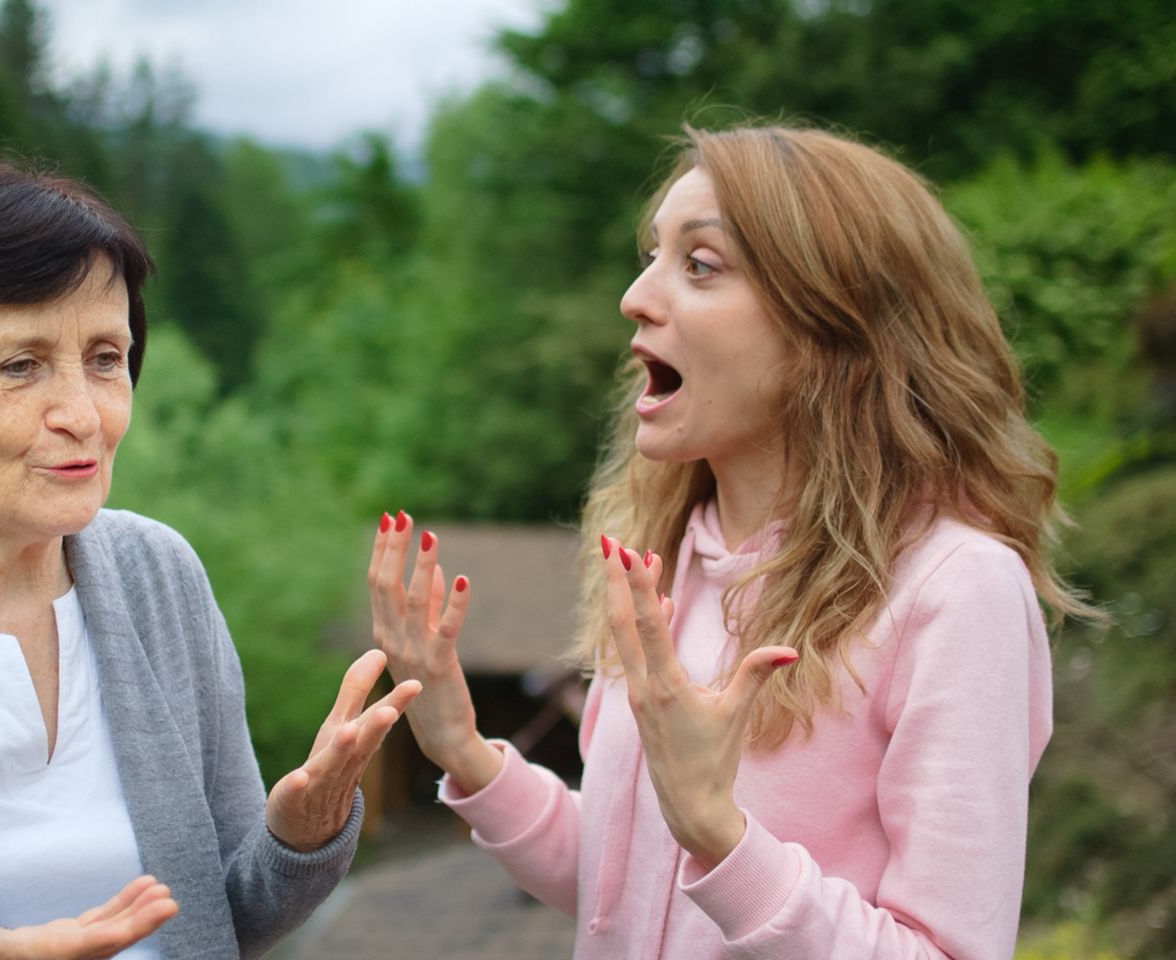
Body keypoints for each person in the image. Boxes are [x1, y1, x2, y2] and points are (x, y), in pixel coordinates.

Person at [368, 124, 1094, 958]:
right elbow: (621, 890)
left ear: (835, 327)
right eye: (650, 256)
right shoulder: (664, 561)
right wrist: (465, 751)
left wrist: (722, 838)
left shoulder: (958, 590)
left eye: (700, 265)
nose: (636, 297)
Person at [0, 162, 419, 960]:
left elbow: (224, 920)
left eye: (104, 358)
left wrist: (301, 836)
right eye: (20, 366)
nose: (84, 414)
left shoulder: (161, 576)